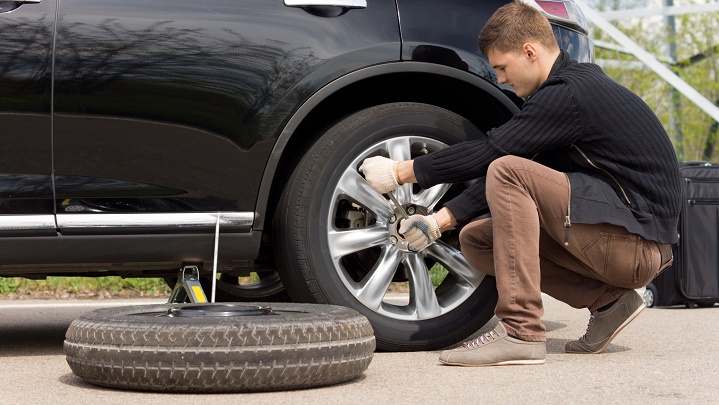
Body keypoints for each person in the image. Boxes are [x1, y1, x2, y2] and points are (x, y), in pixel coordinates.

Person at [359, 0, 681, 367]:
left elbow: (493, 155)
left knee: (506, 168)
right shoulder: (565, 95)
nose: (500, 79)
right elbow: (527, 166)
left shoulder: (568, 95)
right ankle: (609, 302)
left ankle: (521, 332)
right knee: (478, 240)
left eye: (501, 67)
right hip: (624, 237)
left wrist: (402, 171)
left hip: (638, 245)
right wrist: (440, 222)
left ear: (529, 51)